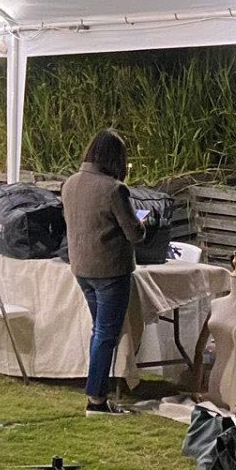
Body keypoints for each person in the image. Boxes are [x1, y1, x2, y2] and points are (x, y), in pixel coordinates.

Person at [61, 128, 147, 416]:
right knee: (105, 335)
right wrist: (144, 224)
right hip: (110, 270)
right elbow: (134, 233)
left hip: (82, 269)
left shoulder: (70, 184)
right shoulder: (114, 189)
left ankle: (97, 392)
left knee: (100, 332)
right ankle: (96, 398)